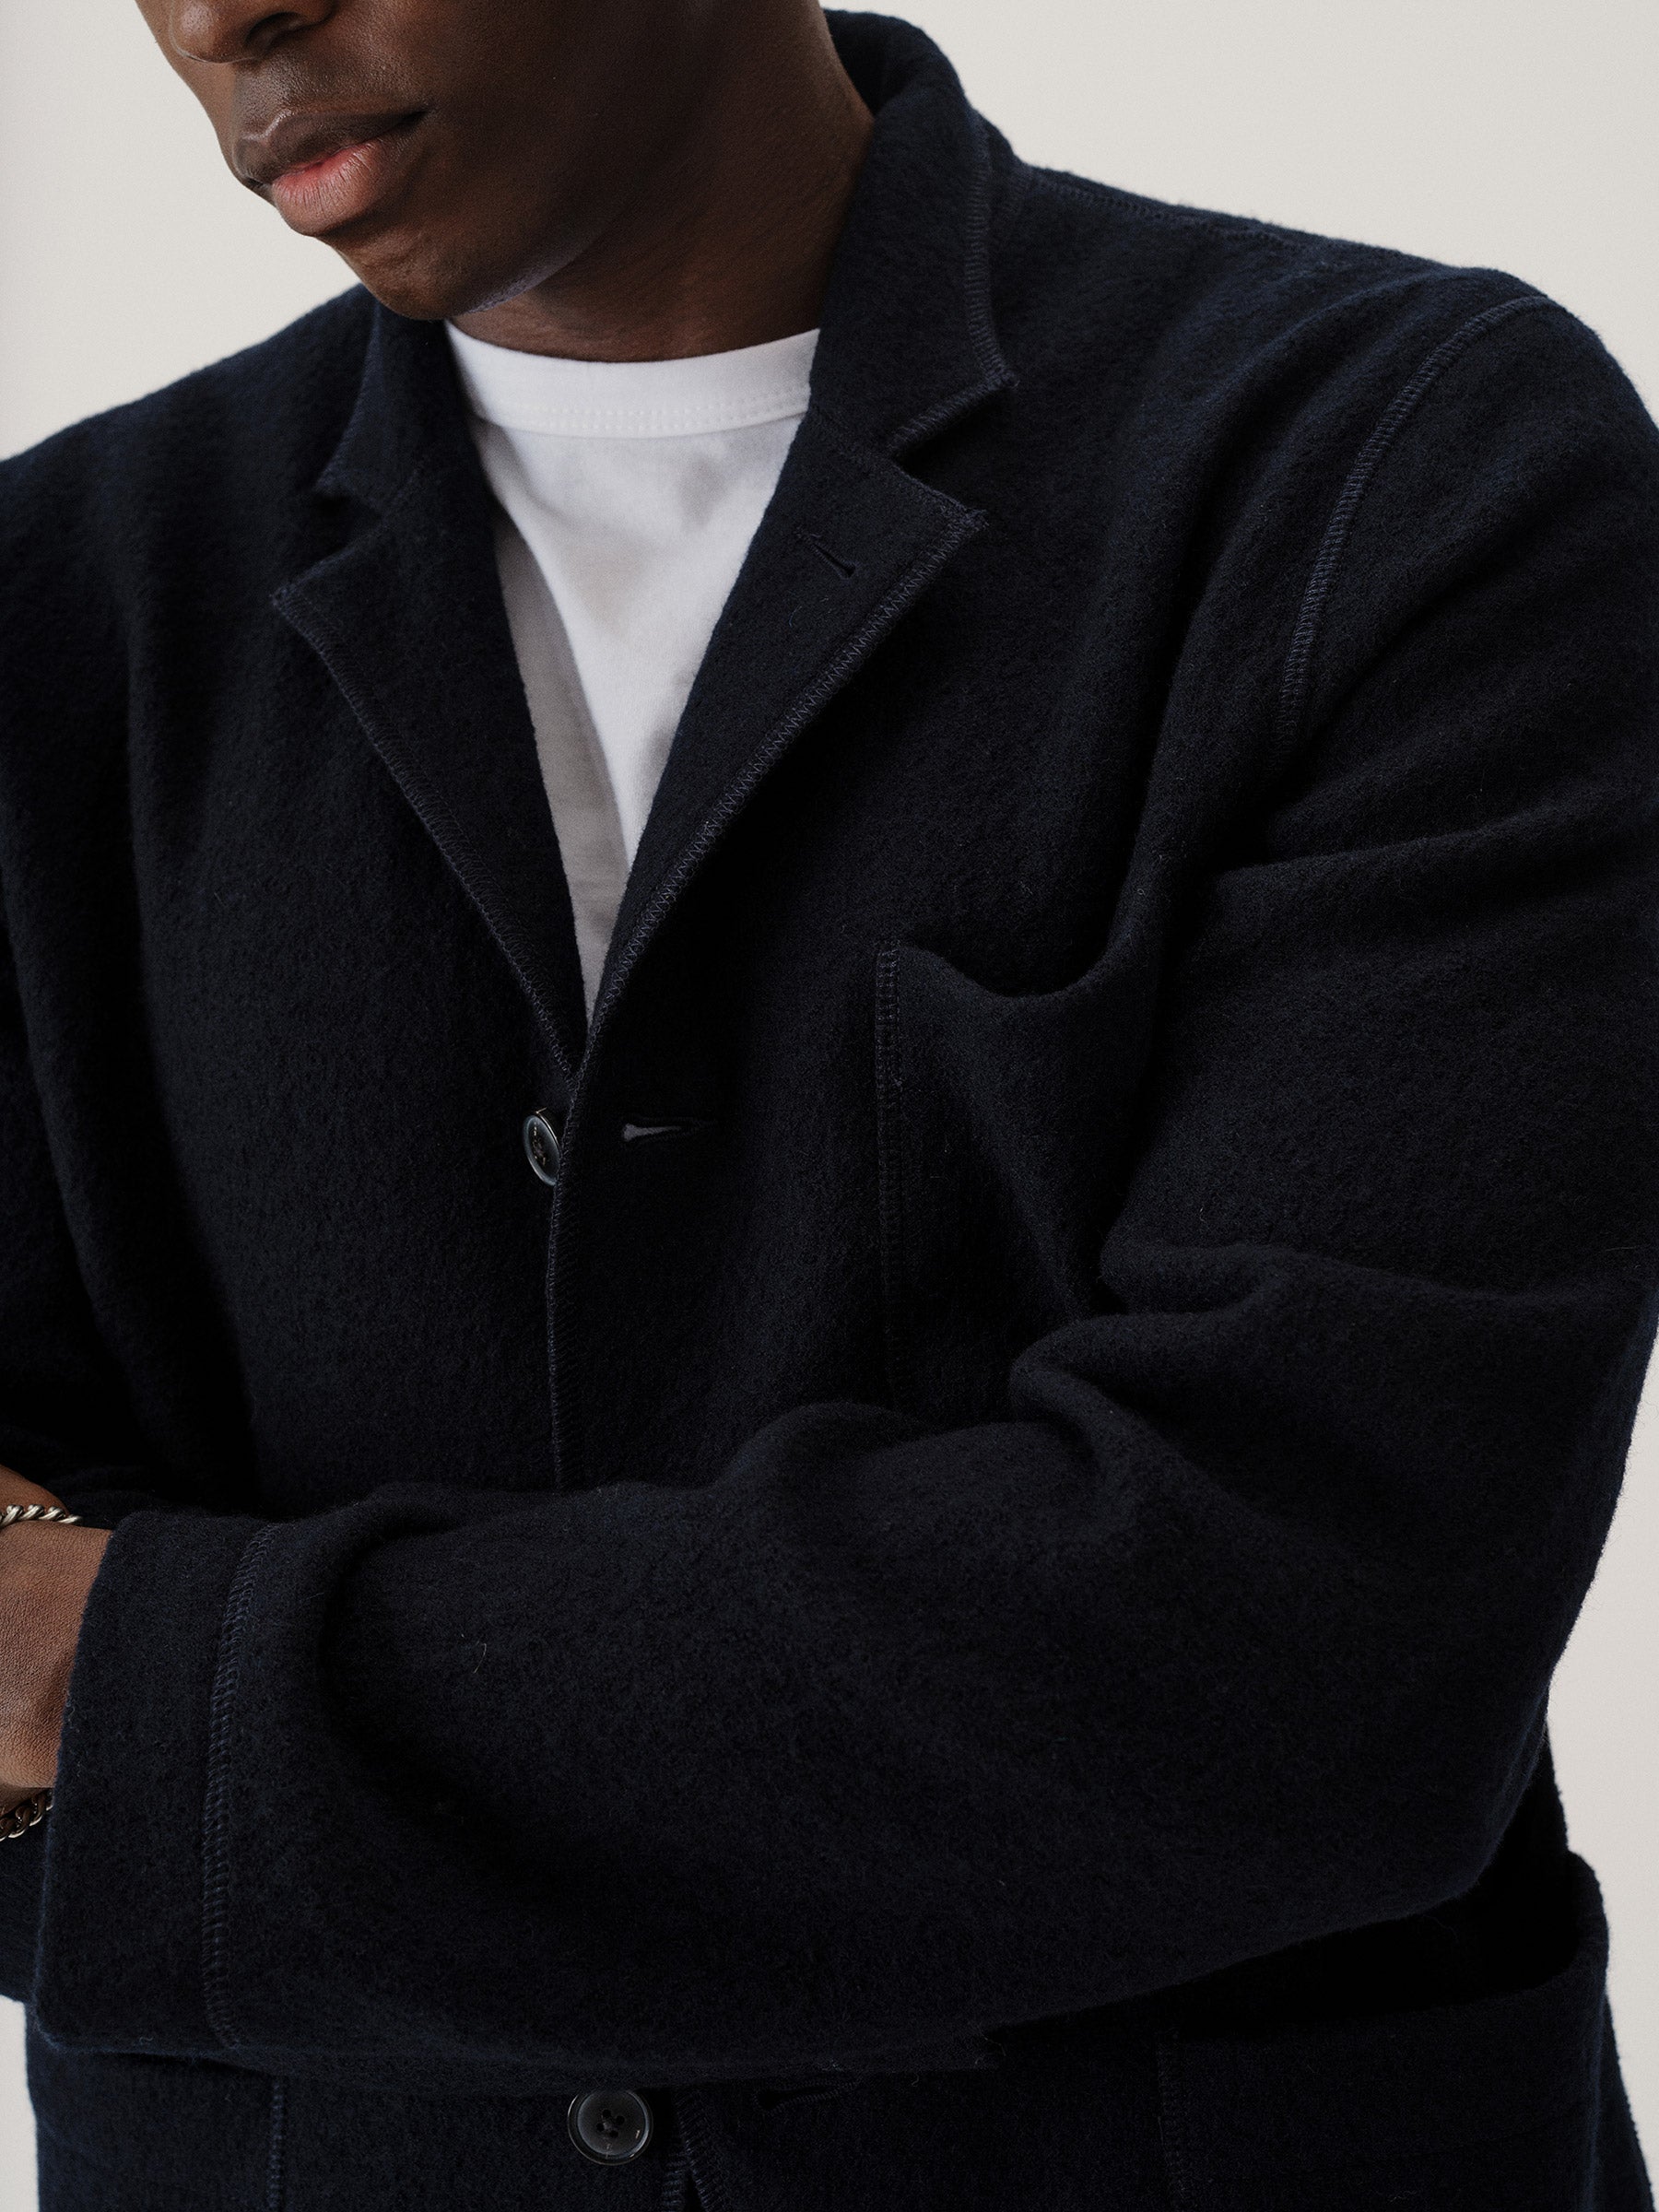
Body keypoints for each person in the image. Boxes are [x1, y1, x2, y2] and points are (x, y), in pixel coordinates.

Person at [0, 0, 1655, 2205]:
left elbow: (1305, 1656)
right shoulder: (55, 607)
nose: (223, 19)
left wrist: (120, 1693)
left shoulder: (1394, 473)